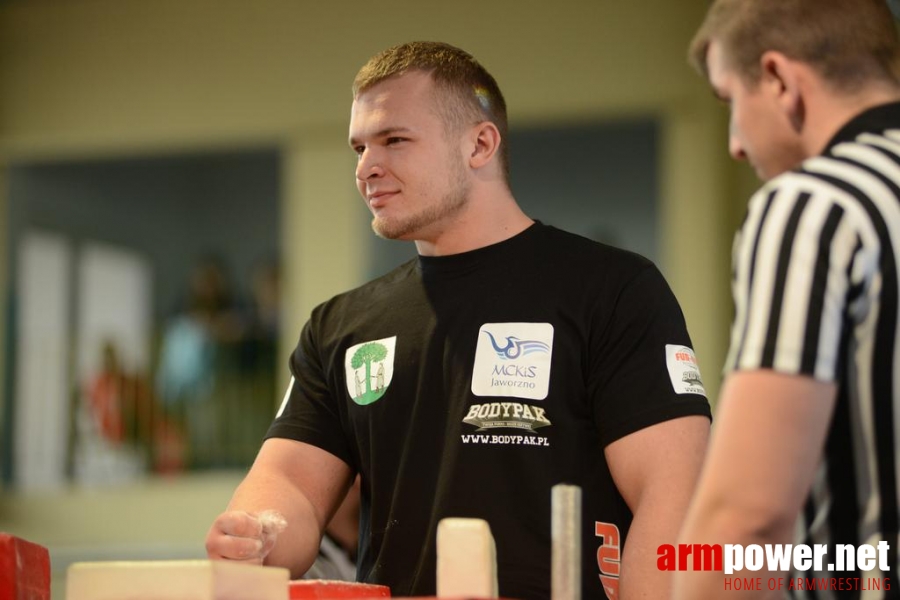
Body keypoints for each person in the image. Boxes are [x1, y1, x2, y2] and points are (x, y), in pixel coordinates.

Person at [206, 41, 710, 599]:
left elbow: (675, 496)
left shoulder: (612, 289)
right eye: (359, 147)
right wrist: (257, 534)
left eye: (394, 139)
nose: (367, 167)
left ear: (479, 144)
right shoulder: (342, 326)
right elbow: (291, 487)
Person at [673, 2, 900, 598]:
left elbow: (747, 515)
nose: (735, 145)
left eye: (729, 102)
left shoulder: (817, 205)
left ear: (778, 79)